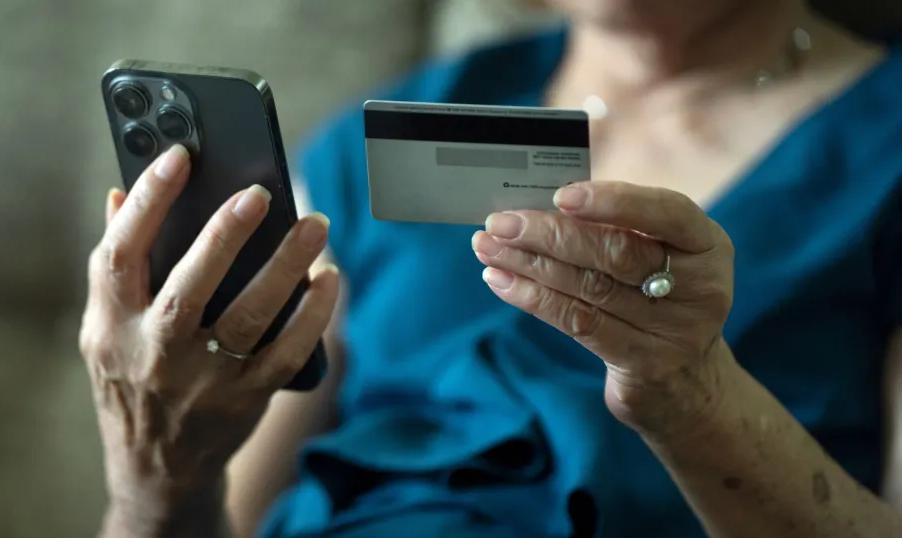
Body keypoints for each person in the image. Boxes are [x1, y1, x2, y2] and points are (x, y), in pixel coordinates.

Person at [78, 0, 902, 536]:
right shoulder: (390, 127)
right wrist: (153, 481)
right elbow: (232, 515)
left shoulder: (883, 144)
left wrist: (695, 396)